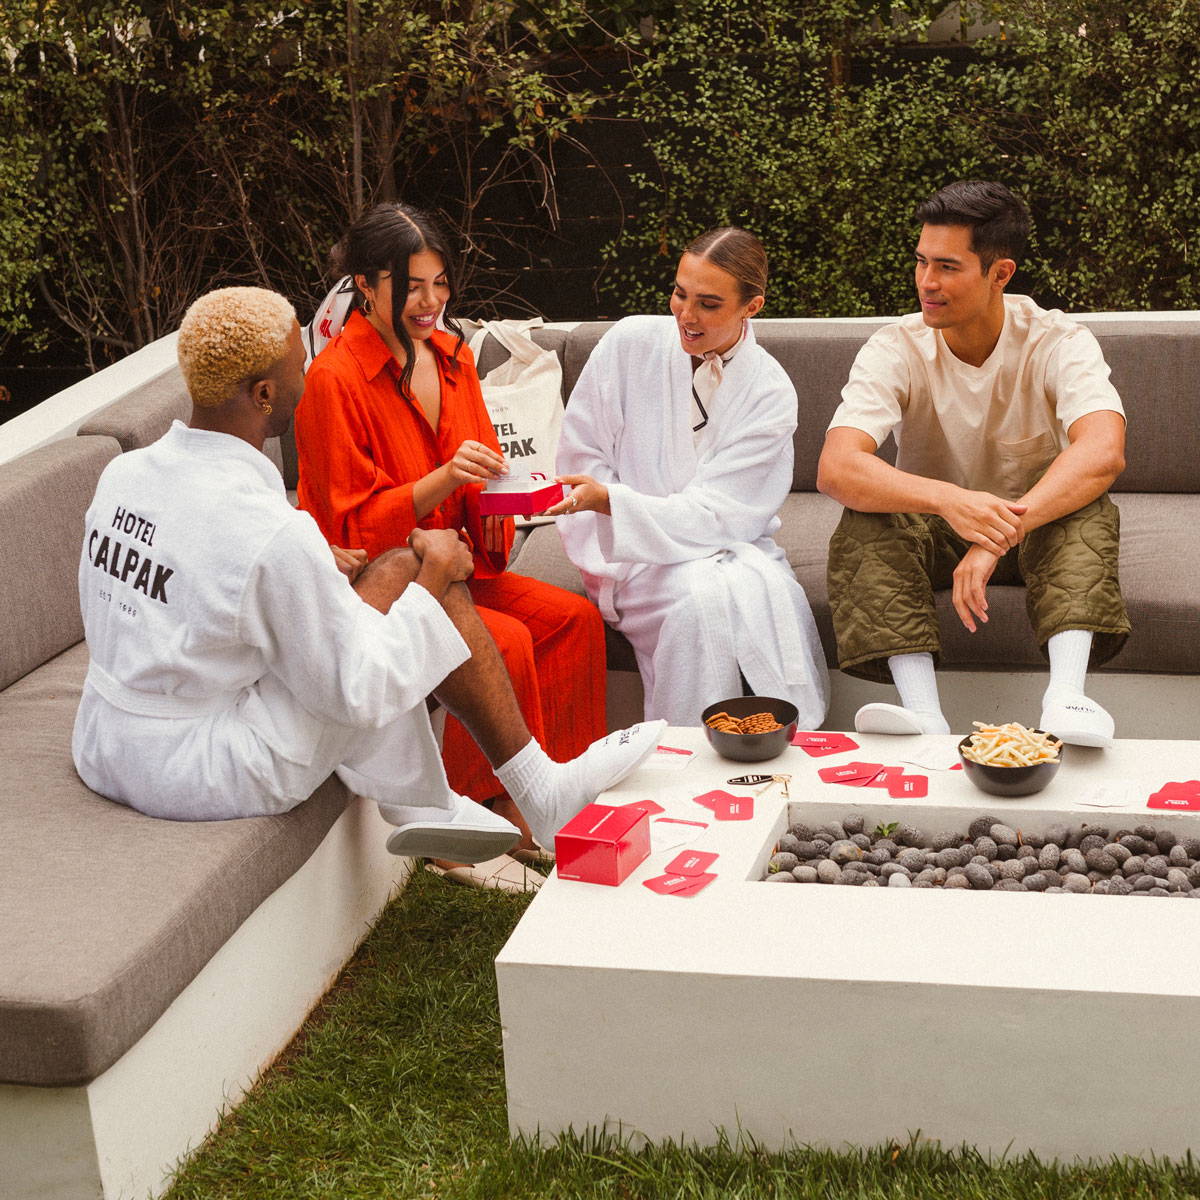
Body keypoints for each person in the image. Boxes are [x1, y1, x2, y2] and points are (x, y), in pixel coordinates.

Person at [71, 286, 665, 863]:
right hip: (204, 766)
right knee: (414, 579)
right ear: (264, 395)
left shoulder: (126, 477)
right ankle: (532, 793)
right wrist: (436, 577)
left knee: (399, 570)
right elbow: (358, 692)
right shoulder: (272, 534)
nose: (313, 374)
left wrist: (329, 570)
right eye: (302, 364)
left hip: (107, 740)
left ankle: (435, 804)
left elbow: (197, 569)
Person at [294, 204, 607, 863]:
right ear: (365, 285)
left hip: (459, 571)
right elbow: (349, 525)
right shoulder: (333, 380)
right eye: (413, 286)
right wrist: (441, 482)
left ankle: (565, 803)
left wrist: (520, 500)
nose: (431, 301)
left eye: (441, 284)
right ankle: (480, 827)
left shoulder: (457, 359)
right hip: (382, 583)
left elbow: (481, 486)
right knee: (514, 640)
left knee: (575, 622)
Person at [817, 180, 1129, 747]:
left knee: (1087, 507)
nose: (926, 283)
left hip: (1036, 527)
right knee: (865, 517)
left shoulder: (1058, 340)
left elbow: (1103, 451)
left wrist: (996, 535)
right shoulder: (896, 345)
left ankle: (1066, 698)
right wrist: (950, 501)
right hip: (942, 532)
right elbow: (837, 467)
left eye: (947, 267)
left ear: (1000, 274)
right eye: (920, 262)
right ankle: (922, 716)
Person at [548, 227, 829, 728]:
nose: (686, 315)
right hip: (628, 555)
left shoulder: (769, 391)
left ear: (752, 307)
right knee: (700, 601)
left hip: (725, 543)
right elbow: (583, 449)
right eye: (680, 293)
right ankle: (681, 755)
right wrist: (609, 504)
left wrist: (617, 501)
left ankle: (762, 749)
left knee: (736, 592)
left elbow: (725, 511)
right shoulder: (630, 342)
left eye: (709, 303)